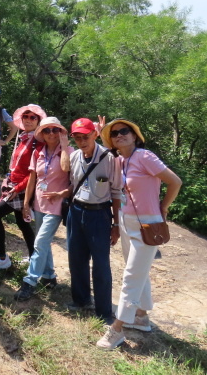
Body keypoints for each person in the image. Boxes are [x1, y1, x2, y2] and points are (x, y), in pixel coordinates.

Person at [96, 119, 182, 350]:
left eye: (125, 131)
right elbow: (103, 155)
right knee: (136, 272)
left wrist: (163, 207)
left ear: (135, 136)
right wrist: (99, 133)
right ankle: (141, 317)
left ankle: (116, 330)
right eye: (114, 134)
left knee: (131, 277)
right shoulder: (120, 160)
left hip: (147, 226)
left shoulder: (145, 156)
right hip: (127, 223)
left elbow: (175, 181)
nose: (119, 135)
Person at [66, 117, 122, 325]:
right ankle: (80, 300)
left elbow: (116, 192)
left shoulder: (110, 159)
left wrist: (116, 225)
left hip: (99, 215)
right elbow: (73, 184)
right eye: (77, 137)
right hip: (76, 210)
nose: (82, 141)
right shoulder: (74, 157)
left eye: (86, 136)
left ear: (95, 134)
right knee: (76, 258)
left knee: (101, 264)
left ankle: (104, 311)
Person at [13, 116, 73, 300]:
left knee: (39, 243)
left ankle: (30, 281)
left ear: (61, 132)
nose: (51, 134)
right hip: (39, 203)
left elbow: (69, 172)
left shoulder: (69, 151)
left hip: (56, 206)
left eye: (55, 130)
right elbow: (33, 179)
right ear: (42, 134)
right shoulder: (38, 153)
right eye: (47, 130)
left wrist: (62, 193)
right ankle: (49, 276)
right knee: (43, 242)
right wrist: (26, 203)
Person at [0, 104, 45, 272]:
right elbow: (17, 166)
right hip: (14, 185)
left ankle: (2, 257)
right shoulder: (24, 138)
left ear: (39, 121)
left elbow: (34, 173)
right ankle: (34, 259)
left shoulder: (37, 143)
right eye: (25, 117)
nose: (28, 120)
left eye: (33, 117)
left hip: (21, 189)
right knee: (22, 223)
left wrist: (17, 188)